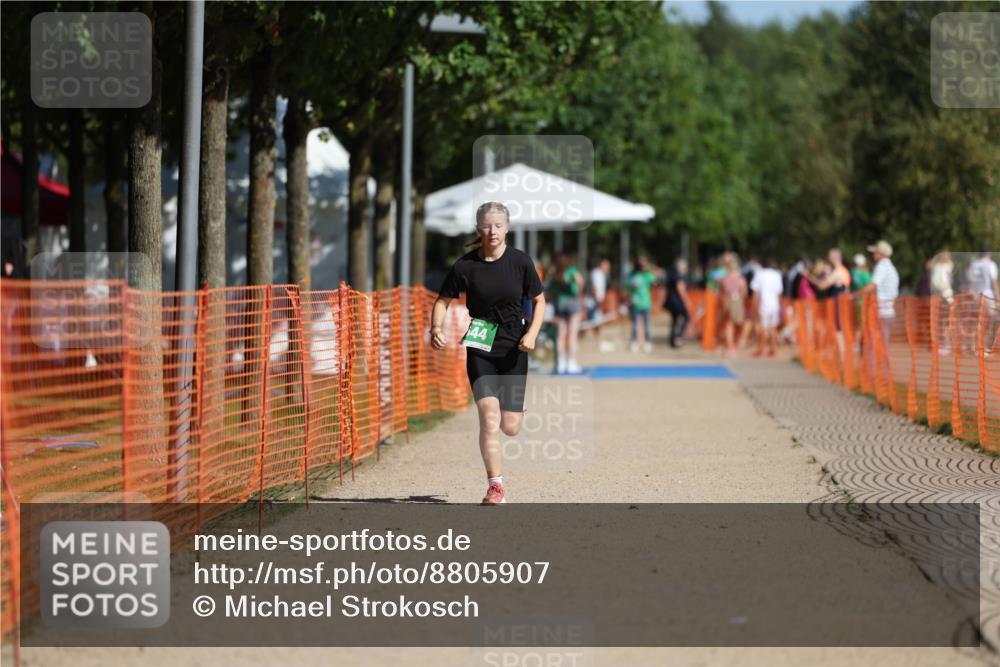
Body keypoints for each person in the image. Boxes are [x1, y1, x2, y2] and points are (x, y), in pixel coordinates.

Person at [431, 202, 546, 505]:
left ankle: (518, 411)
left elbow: (540, 300)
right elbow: (442, 301)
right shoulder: (465, 266)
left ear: (507, 228)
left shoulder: (520, 262)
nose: (492, 231)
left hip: (514, 345)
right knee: (488, 416)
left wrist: (532, 333)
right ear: (478, 228)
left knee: (510, 427)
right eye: (486, 225)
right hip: (481, 344)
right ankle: (495, 485)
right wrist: (436, 328)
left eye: (497, 225)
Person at [547, 252, 585, 374]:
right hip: (572, 302)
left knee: (560, 335)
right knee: (572, 334)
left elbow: (549, 291)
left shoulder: (554, 273)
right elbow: (581, 282)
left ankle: (560, 363)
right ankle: (571, 363)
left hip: (560, 304)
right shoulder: (572, 271)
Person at [861, 239, 899, 350]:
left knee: (877, 343)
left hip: (881, 310)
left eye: (875, 252)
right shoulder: (890, 267)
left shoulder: (882, 266)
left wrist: (855, 295)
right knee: (882, 342)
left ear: (880, 254)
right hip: (887, 310)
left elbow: (872, 285)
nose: (873, 254)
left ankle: (878, 366)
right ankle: (881, 366)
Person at [750, 258, 784, 357]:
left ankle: (761, 349)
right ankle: (773, 349)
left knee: (763, 328)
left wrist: (754, 306)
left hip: (764, 304)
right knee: (773, 328)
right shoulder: (777, 275)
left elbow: (756, 292)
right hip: (775, 304)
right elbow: (779, 292)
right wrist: (780, 305)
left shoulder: (759, 274)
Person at [718, 256, 748, 358]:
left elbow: (721, 292)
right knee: (736, 324)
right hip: (736, 301)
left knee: (729, 325)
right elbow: (744, 292)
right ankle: (732, 347)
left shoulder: (724, 278)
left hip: (727, 301)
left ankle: (729, 347)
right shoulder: (740, 279)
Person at [626, 255, 657, 352]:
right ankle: (634, 342)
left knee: (646, 324)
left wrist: (649, 268)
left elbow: (654, 281)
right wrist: (629, 297)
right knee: (634, 324)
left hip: (645, 303)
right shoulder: (633, 276)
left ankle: (647, 342)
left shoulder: (647, 275)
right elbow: (629, 288)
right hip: (635, 303)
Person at [664, 258, 693, 349]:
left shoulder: (672, 276)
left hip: (672, 301)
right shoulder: (680, 277)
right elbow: (681, 290)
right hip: (678, 302)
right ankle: (679, 336)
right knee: (686, 317)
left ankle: (673, 338)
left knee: (674, 320)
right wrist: (687, 301)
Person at [586, 257, 614, 352]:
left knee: (597, 322)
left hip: (596, 301)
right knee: (593, 323)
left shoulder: (602, 275)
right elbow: (595, 288)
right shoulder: (596, 274)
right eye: (607, 264)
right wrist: (597, 300)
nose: (608, 267)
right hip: (594, 302)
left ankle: (600, 342)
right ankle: (600, 342)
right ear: (601, 264)